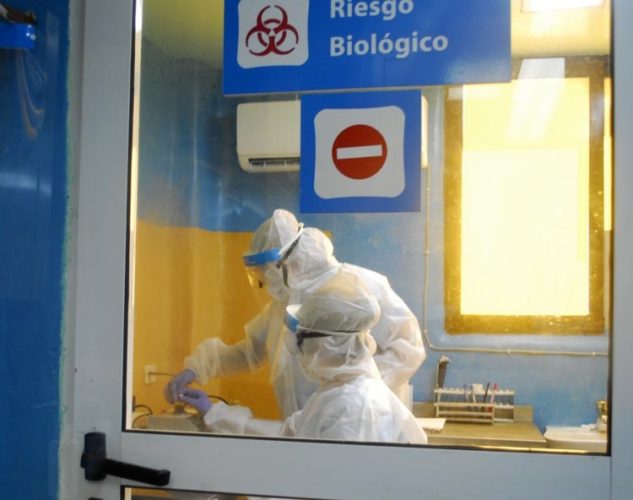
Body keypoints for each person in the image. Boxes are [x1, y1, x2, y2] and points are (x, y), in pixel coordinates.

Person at [165, 209, 425, 417]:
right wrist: (196, 369)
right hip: (306, 427)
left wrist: (358, 397)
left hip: (359, 422)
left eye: (265, 271)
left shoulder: (359, 287)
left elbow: (408, 347)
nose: (263, 281)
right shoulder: (286, 303)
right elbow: (249, 352)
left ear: (287, 261)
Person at [178, 270, 428, 444]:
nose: (297, 349)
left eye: (302, 339)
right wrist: (215, 413)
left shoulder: (354, 408)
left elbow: (326, 485)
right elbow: (289, 435)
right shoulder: (335, 392)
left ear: (330, 344)